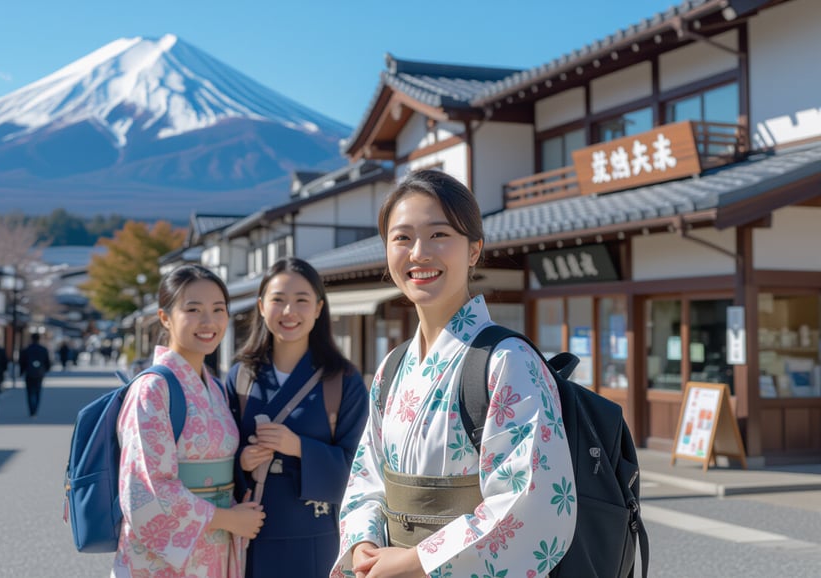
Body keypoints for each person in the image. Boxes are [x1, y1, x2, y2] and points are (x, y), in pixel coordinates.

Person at [332, 170, 576, 578]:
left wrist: (414, 561)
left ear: (474, 249)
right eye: (402, 237)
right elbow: (366, 479)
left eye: (439, 234)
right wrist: (364, 545)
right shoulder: (391, 369)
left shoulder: (506, 361)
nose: (419, 253)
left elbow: (528, 503)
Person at [114, 264, 265, 577]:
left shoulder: (215, 386)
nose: (208, 321)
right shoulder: (153, 388)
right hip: (167, 557)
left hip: (216, 544)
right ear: (165, 318)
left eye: (218, 309)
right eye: (193, 309)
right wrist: (228, 519)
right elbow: (146, 487)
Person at [225, 257, 369, 578]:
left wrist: (298, 447)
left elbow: (363, 469)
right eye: (278, 300)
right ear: (261, 306)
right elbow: (216, 452)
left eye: (301, 300)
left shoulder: (342, 380)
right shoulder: (241, 377)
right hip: (251, 534)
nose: (289, 312)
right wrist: (242, 462)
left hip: (316, 538)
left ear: (318, 308)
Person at [19, 333, 52, 417]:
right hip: (39, 373)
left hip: (29, 373)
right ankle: (35, 409)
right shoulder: (43, 349)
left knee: (30, 392)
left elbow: (22, 362)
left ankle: (31, 410)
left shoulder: (26, 349)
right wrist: (45, 370)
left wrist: (21, 372)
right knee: (37, 391)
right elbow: (47, 362)